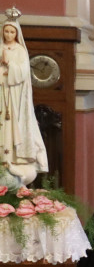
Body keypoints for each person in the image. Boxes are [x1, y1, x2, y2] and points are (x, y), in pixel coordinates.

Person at [0, 15, 48, 185]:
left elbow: (22, 73)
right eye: (6, 31)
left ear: (16, 33)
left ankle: (12, 156)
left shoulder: (20, 51)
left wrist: (8, 65)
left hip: (13, 95)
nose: (8, 34)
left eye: (12, 31)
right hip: (1, 91)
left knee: (11, 124)